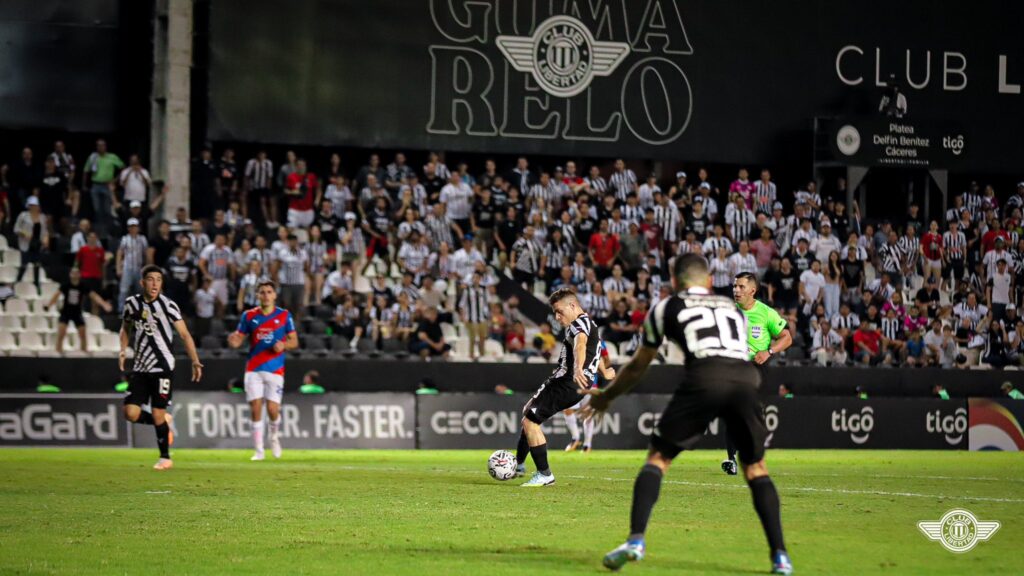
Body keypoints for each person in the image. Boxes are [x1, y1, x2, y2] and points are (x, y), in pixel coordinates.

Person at [580, 254, 791, 574]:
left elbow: (638, 365)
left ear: (675, 282)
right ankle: (780, 557)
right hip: (747, 380)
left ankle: (635, 540)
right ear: (709, 281)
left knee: (658, 459)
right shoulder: (731, 309)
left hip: (705, 377)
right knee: (757, 469)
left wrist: (606, 397)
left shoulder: (666, 306)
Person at [119, 265, 203, 471]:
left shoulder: (168, 305)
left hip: (162, 368)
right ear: (142, 282)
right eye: (150, 279)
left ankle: (165, 457)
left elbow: (184, 334)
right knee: (130, 413)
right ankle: (164, 422)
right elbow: (125, 327)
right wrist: (122, 349)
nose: (155, 283)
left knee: (157, 413)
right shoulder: (132, 304)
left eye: (158, 279)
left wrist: (195, 360)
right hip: (140, 368)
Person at [513, 287, 599, 487]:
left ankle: (544, 474)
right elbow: (594, 348)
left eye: (560, 311)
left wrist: (578, 368)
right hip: (569, 383)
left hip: (566, 382)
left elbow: (581, 344)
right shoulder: (587, 323)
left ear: (572, 305)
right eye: (555, 312)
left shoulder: (579, 325)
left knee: (531, 421)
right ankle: (519, 465)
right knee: (528, 414)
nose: (557, 317)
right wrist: (604, 369)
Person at [727, 272, 792, 475]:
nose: (736, 290)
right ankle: (731, 460)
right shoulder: (727, 311)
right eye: (735, 286)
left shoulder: (765, 312)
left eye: (741, 287)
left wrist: (769, 351)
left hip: (756, 366)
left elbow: (787, 337)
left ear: (752, 290)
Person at [227, 281, 299, 461]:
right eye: (262, 292)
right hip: (254, 368)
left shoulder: (284, 315)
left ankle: (274, 437)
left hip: (275, 369)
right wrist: (233, 342)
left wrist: (284, 345)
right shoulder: (249, 316)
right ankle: (258, 450)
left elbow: (294, 341)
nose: (266, 295)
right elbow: (239, 339)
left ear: (275, 295)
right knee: (255, 407)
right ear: (257, 295)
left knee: (273, 409)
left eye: (269, 292)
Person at [42, 267, 113, 353]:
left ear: (79, 275)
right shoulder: (66, 285)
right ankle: (58, 352)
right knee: (61, 333)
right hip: (66, 312)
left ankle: (83, 352)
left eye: (77, 273)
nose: (75, 275)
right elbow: (56, 295)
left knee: (83, 334)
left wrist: (104, 304)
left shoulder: (82, 286)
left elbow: (94, 296)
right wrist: (49, 305)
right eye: (73, 273)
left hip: (77, 312)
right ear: (70, 274)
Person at [562, 340, 616, 453]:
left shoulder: (600, 343)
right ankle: (575, 438)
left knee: (588, 414)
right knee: (567, 409)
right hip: (575, 382)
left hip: (591, 383)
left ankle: (587, 445)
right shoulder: (575, 338)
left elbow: (606, 360)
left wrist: (598, 370)